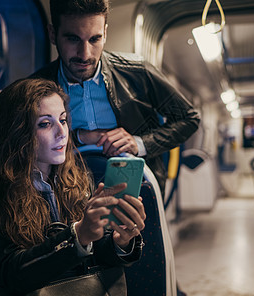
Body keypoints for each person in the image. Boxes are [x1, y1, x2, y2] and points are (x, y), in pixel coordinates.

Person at [0, 78, 145, 296]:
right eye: (45, 124)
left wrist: (120, 240)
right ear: (17, 132)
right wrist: (77, 236)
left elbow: (95, 256)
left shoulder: (78, 179)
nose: (62, 132)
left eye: (63, 120)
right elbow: (11, 273)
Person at [30, 0, 200, 192]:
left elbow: (189, 118)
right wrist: (80, 137)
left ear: (106, 34)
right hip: (63, 192)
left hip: (134, 189)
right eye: (73, 39)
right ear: (53, 34)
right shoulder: (35, 87)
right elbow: (22, 144)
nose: (85, 54)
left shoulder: (138, 72)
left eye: (94, 39)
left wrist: (139, 143)